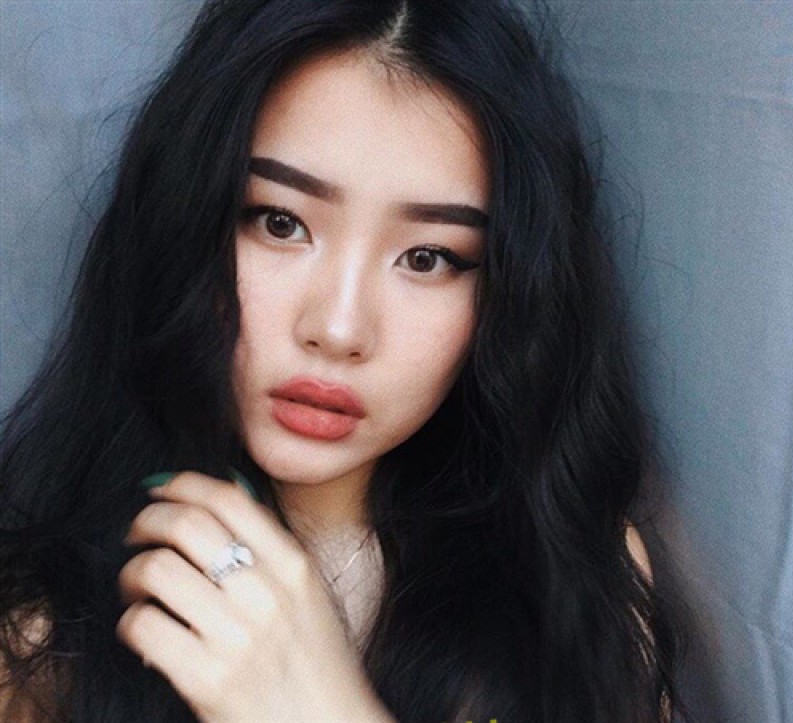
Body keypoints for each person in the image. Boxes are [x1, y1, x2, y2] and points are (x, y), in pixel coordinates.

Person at [0, 0, 681, 720]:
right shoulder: (42, 635)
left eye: (429, 257)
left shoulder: (576, 579)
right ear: (187, 218)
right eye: (280, 222)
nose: (338, 327)